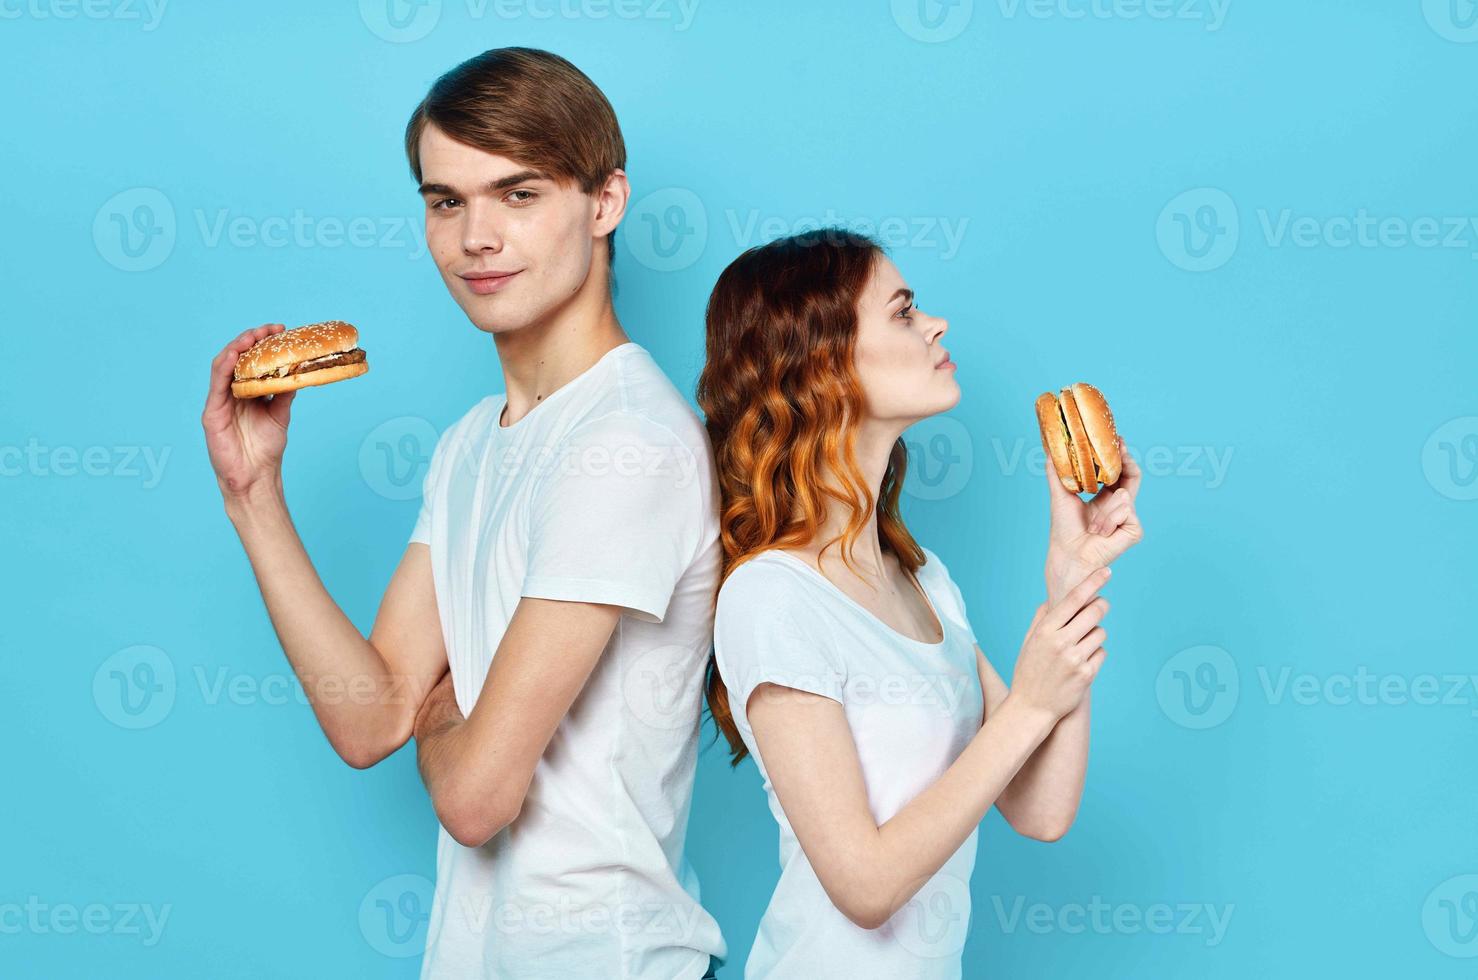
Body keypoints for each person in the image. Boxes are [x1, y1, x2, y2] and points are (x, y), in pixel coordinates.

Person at [202, 47, 725, 980]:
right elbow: (369, 722)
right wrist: (254, 496)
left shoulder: (627, 441)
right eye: (446, 201)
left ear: (605, 204)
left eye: (518, 195)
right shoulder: (473, 442)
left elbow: (478, 798)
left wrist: (438, 714)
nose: (475, 236)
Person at [699, 229, 1144, 978]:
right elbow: (864, 886)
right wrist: (1031, 705)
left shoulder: (922, 577)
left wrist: (1071, 582)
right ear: (822, 362)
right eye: (903, 312)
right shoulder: (771, 596)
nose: (936, 325)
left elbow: (1041, 808)